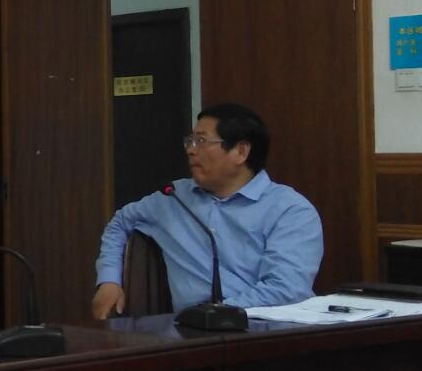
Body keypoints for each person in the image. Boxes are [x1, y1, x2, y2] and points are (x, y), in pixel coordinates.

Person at [92, 103, 323, 318]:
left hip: (266, 329)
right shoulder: (173, 198)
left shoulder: (290, 210)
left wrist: (214, 313)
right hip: (192, 333)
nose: (191, 150)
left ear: (241, 151)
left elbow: (286, 290)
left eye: (201, 141)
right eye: (190, 141)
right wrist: (109, 281)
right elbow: (120, 223)